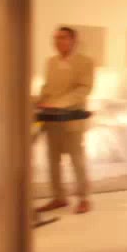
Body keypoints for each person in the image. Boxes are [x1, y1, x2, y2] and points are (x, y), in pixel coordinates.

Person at [36, 26, 95, 215]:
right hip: (51, 120)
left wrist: (58, 104)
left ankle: (84, 198)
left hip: (72, 119)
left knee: (77, 159)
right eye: (56, 38)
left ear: (73, 41)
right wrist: (40, 101)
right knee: (52, 160)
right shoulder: (51, 62)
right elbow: (47, 87)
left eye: (62, 38)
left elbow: (83, 89)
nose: (58, 41)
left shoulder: (85, 62)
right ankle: (58, 197)